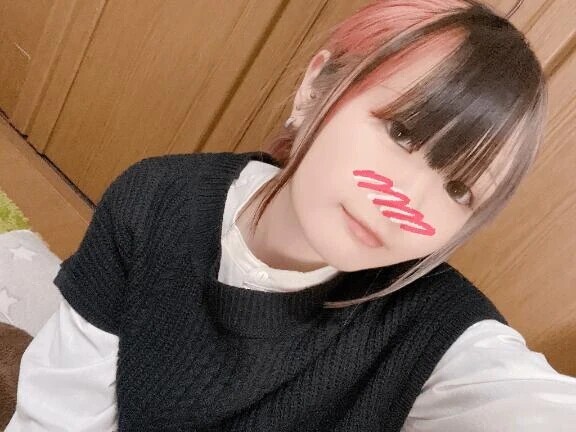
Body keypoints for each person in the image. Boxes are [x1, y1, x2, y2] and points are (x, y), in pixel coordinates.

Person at [6, 0, 576, 430]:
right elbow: (58, 413)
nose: (405, 202)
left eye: (459, 188)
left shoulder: (439, 332)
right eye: (402, 132)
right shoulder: (156, 199)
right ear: (313, 89)